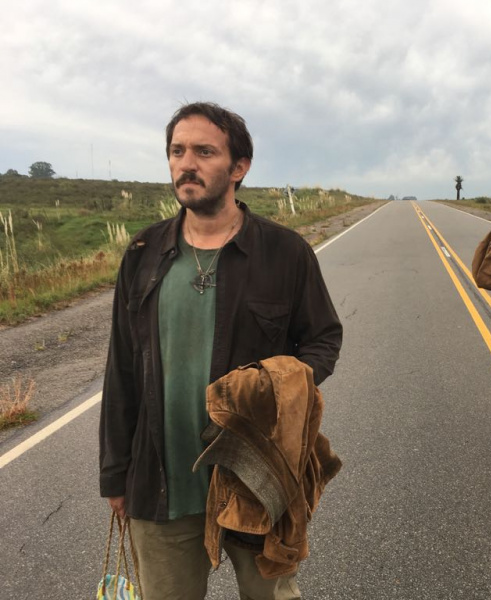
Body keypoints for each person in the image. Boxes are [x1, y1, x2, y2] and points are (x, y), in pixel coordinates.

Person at [99, 102, 342, 599]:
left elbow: (323, 339)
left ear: (238, 167)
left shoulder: (285, 253)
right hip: (162, 482)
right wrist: (115, 474)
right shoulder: (143, 254)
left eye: (204, 152)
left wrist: (278, 384)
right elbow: (121, 369)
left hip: (259, 479)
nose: (186, 164)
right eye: (177, 151)